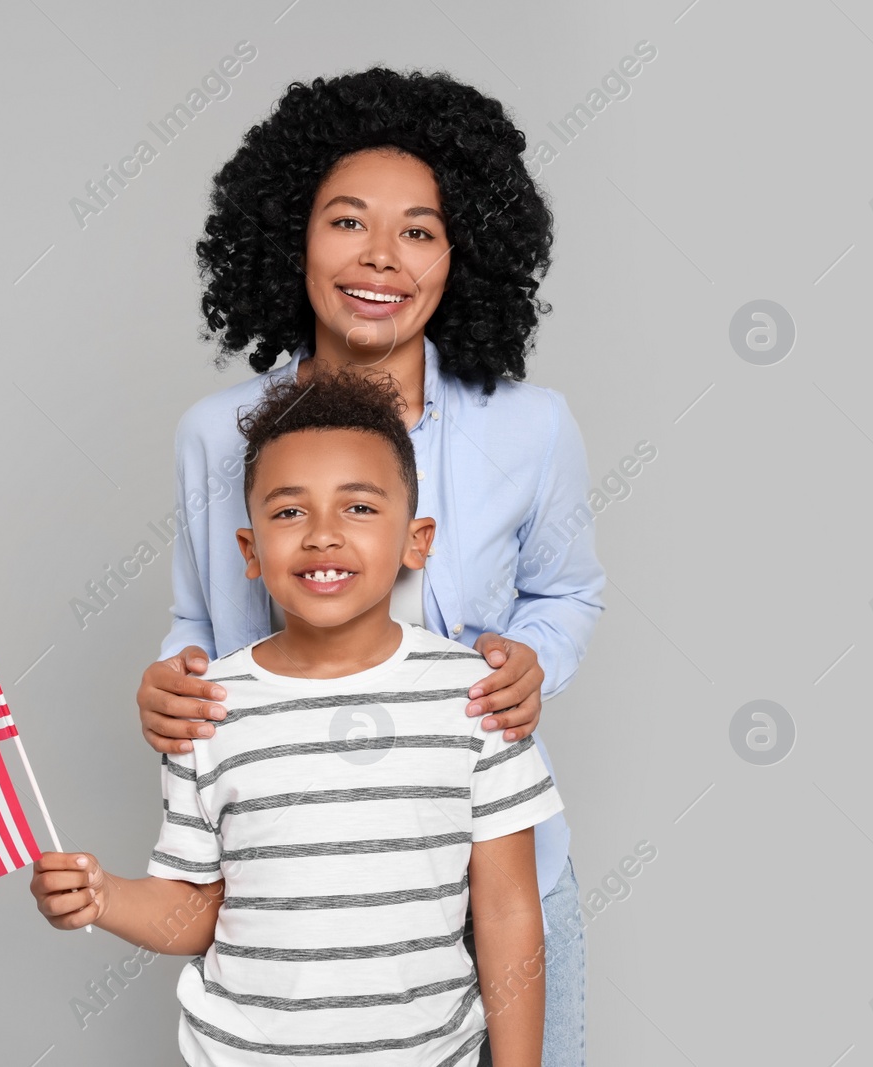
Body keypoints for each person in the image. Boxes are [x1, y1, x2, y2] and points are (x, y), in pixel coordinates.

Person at [134, 68, 603, 1064]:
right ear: (290, 237)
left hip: (493, 861)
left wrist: (530, 659)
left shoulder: (532, 426)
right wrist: (170, 682)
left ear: (462, 253)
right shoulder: (213, 437)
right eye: (347, 222)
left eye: (420, 230)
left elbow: (567, 590)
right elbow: (198, 618)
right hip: (296, 880)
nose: (381, 256)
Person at [32, 368, 563, 1066]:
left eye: (360, 508)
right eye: (288, 512)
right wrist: (104, 896)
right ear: (251, 551)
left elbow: (505, 912)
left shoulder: (475, 697)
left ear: (417, 540)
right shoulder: (209, 707)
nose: (321, 535)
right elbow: (199, 908)